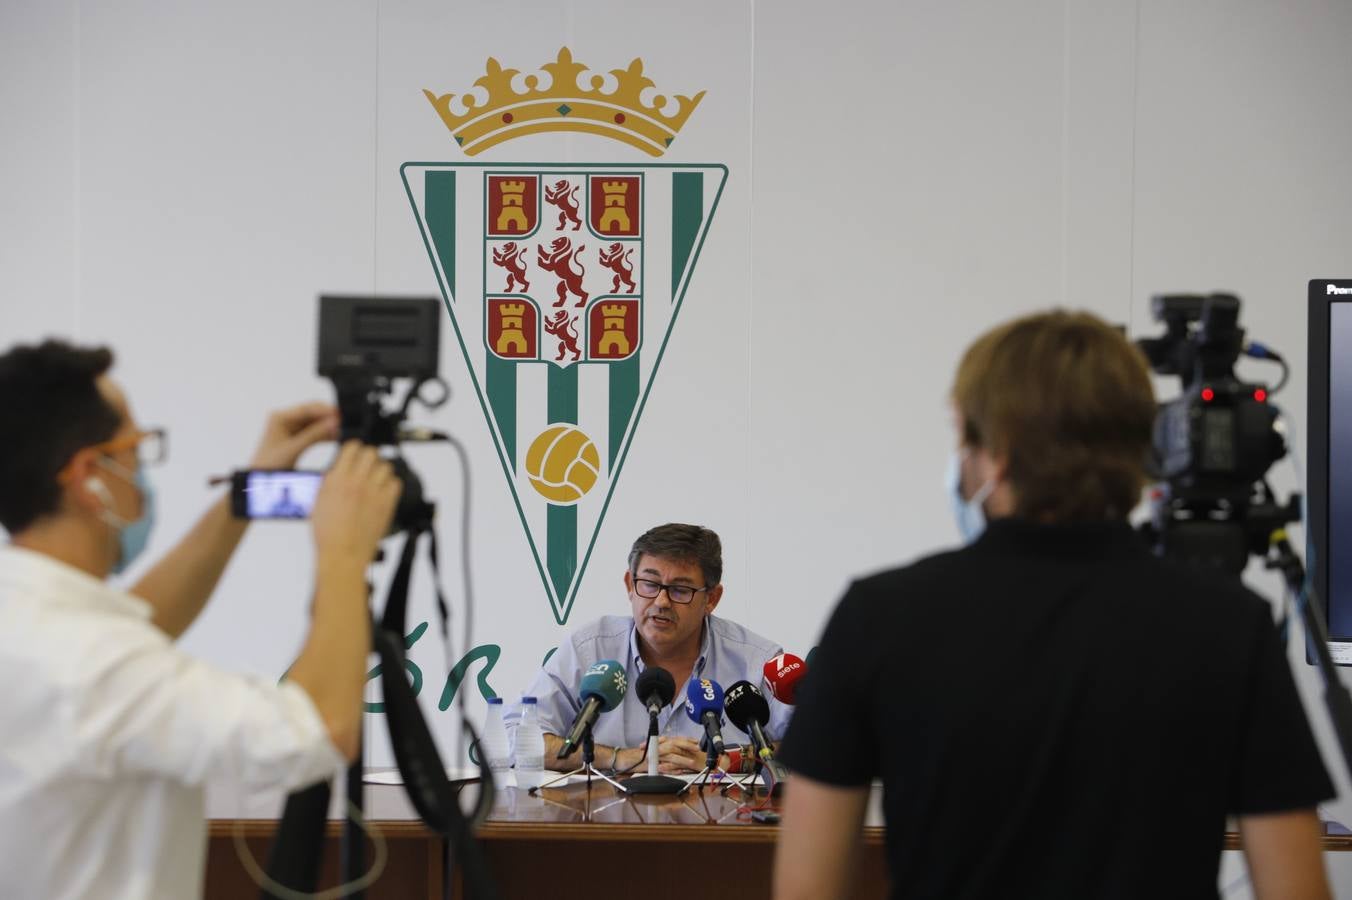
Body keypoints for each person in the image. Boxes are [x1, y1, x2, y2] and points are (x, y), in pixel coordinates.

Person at [775, 311, 1335, 899]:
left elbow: (806, 889)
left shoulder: (877, 617)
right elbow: (1295, 888)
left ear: (997, 452)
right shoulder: (1230, 624)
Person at [0, 340, 401, 900]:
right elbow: (318, 731)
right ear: (90, 475)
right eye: (137, 450)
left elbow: (141, 623)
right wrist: (344, 552)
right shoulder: (91, 660)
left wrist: (246, 492)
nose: (143, 471)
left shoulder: (30, 612)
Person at [508, 522, 791, 776]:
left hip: (722, 826)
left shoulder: (757, 661)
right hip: (609, 826)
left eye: (680, 589)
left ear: (712, 599)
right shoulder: (589, 650)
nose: (661, 601)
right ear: (630, 586)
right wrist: (618, 758)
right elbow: (515, 738)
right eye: (649, 584)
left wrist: (729, 760)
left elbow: (816, 745)